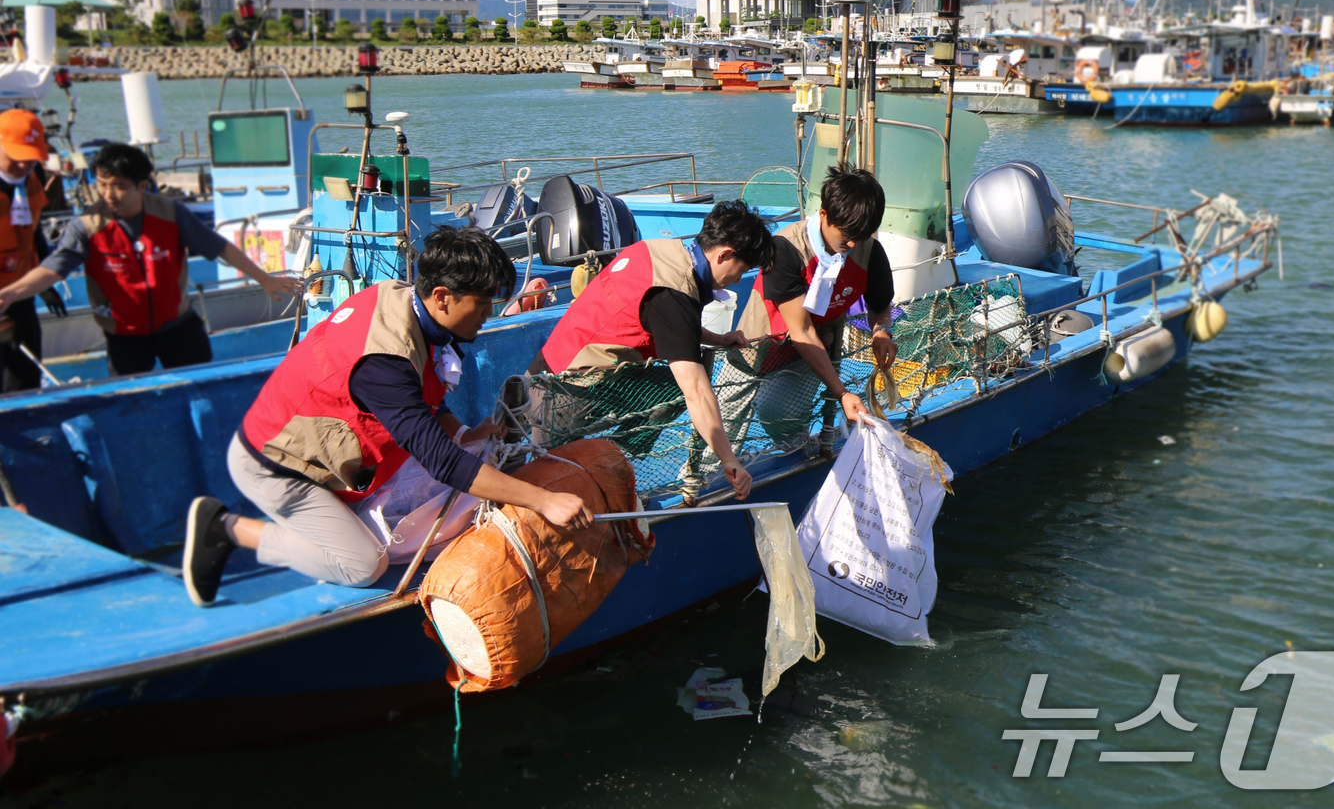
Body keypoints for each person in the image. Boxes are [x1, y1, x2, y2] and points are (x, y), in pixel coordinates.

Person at [183, 226, 593, 607]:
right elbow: (442, 461)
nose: (488, 313)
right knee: (364, 565)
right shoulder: (383, 362)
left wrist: (466, 432)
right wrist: (545, 500)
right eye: (482, 303)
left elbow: (428, 400)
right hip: (276, 467)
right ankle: (226, 528)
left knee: (459, 472)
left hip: (329, 457)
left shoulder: (409, 305)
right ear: (442, 296)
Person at [532, 199, 775, 501]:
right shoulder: (674, 294)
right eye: (741, 270)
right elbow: (696, 391)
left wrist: (717, 338)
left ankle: (607, 450)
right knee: (546, 480)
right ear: (725, 255)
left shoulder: (660, 251)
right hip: (565, 389)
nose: (738, 280)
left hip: (546, 363)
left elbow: (668, 323)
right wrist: (729, 460)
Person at [0, 143, 300, 377]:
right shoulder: (87, 226)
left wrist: (264, 278)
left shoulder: (170, 214)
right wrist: (10, 294)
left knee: (199, 387)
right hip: (124, 337)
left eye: (118, 186)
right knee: (129, 403)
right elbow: (53, 269)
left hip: (178, 327)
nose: (108, 194)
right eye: (102, 184)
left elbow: (219, 247)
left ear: (142, 186)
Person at [733, 167, 897, 444]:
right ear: (823, 214)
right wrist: (843, 393)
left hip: (810, 354)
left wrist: (882, 332)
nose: (854, 242)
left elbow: (880, 307)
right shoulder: (785, 249)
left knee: (778, 410)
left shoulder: (869, 252)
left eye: (863, 233)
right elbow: (802, 329)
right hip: (754, 349)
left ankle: (796, 450)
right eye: (847, 234)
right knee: (716, 431)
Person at [0, 109, 54, 391]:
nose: (23, 164)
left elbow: (34, 233)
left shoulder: (33, 176)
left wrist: (44, 280)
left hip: (20, 293)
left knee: (25, 377)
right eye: (15, 155)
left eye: (30, 156)